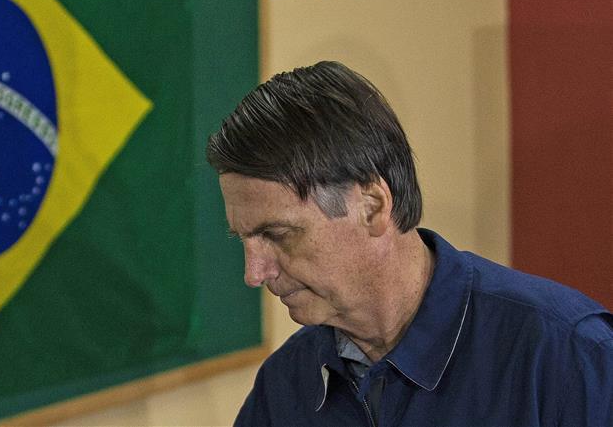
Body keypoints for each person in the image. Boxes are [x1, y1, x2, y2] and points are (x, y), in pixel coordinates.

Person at [206, 61, 613, 427]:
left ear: (372, 206)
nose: (254, 273)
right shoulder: (284, 387)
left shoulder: (568, 356)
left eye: (277, 235)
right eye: (244, 239)